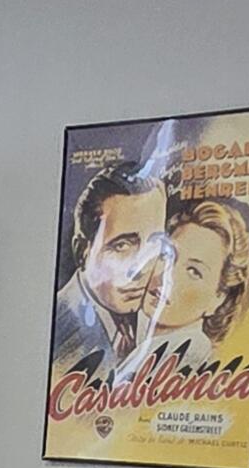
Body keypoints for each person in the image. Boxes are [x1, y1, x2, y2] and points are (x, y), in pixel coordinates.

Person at [48, 145, 170, 384]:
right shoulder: (61, 334)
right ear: (83, 251)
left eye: (154, 244)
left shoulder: (162, 317)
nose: (141, 269)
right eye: (122, 246)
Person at [142, 193, 249, 370]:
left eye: (194, 271)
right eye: (167, 256)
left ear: (218, 298)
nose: (167, 276)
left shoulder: (187, 351)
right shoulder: (149, 346)